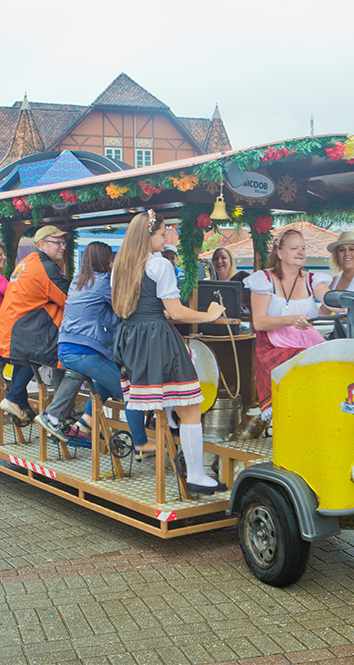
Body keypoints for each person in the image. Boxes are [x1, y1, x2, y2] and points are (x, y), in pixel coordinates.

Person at [112, 210, 226, 494]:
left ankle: (185, 464)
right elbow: (175, 311)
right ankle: (196, 474)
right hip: (157, 339)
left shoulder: (120, 266)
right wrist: (209, 315)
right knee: (190, 409)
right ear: (148, 235)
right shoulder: (159, 265)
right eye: (163, 233)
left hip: (131, 338)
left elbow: (129, 306)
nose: (167, 238)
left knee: (167, 400)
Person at [54, 242, 151, 454]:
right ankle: (140, 443)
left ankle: (87, 419)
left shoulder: (77, 282)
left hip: (67, 348)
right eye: (110, 258)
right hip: (84, 352)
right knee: (132, 393)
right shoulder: (103, 282)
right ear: (104, 260)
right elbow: (124, 307)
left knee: (108, 377)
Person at [0, 226, 82, 435]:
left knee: (30, 358)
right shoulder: (45, 267)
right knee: (70, 359)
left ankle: (23, 400)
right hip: (25, 329)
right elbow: (68, 298)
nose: (62, 247)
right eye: (57, 243)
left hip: (15, 328)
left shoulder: (26, 262)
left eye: (64, 243)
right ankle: (55, 411)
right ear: (41, 244)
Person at [244, 228, 332, 421]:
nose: (301, 252)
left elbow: (329, 299)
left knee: (330, 364)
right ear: (280, 252)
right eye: (294, 248)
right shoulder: (265, 279)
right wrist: (290, 319)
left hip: (307, 342)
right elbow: (259, 322)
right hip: (273, 345)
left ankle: (316, 420)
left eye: (303, 248)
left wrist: (351, 306)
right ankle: (291, 421)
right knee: (302, 363)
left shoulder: (312, 279)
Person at [211, 246, 251, 312]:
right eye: (216, 258)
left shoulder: (241, 280)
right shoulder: (206, 283)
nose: (219, 261)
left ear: (231, 261)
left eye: (223, 258)